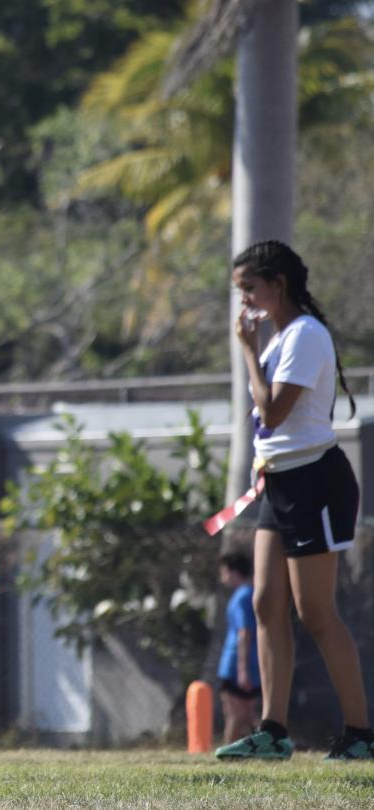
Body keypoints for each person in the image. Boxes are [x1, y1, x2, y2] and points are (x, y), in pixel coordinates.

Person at [215, 240, 372, 761]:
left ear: (277, 285)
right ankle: (272, 731)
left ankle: (359, 735)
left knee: (316, 612)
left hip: (314, 483)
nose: (246, 303)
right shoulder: (280, 338)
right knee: (265, 603)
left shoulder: (305, 335)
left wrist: (245, 351)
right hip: (279, 483)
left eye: (250, 289)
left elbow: (275, 411)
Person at [217, 549, 260, 745]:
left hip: (235, 664)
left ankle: (228, 755)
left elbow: (245, 632)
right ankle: (265, 745)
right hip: (248, 664)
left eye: (224, 571)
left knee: (235, 714)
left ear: (234, 572)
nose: (222, 577)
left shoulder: (242, 597)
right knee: (248, 712)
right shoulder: (248, 594)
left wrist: (242, 669)